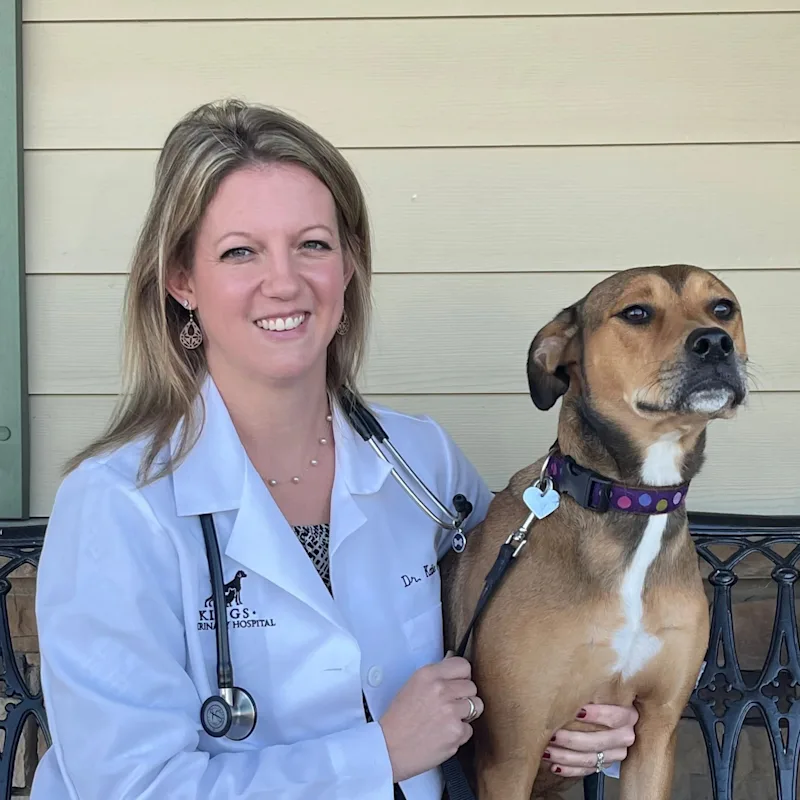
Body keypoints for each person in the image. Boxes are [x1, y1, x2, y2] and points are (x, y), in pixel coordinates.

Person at [30, 99, 637, 800]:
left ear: (349, 265)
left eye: (313, 244)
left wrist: (589, 719)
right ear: (182, 281)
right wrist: (378, 754)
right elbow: (131, 787)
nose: (284, 281)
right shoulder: (116, 504)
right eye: (240, 251)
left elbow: (523, 631)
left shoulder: (422, 464)